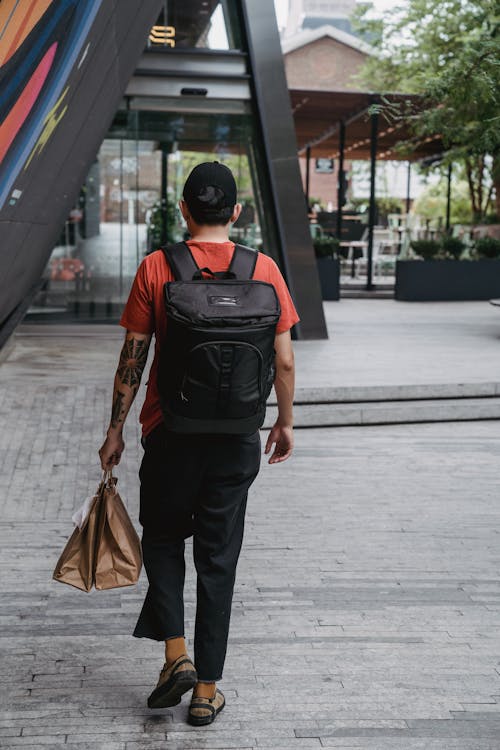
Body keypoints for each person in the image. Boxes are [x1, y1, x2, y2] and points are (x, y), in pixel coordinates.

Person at [98, 161, 299, 725]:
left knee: (163, 541)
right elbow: (283, 359)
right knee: (218, 557)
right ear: (236, 213)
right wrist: (283, 421)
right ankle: (207, 690)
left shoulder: (157, 268)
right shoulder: (265, 270)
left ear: (184, 209)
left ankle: (175, 657)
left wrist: (115, 429)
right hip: (236, 438)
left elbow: (132, 359)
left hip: (170, 433)